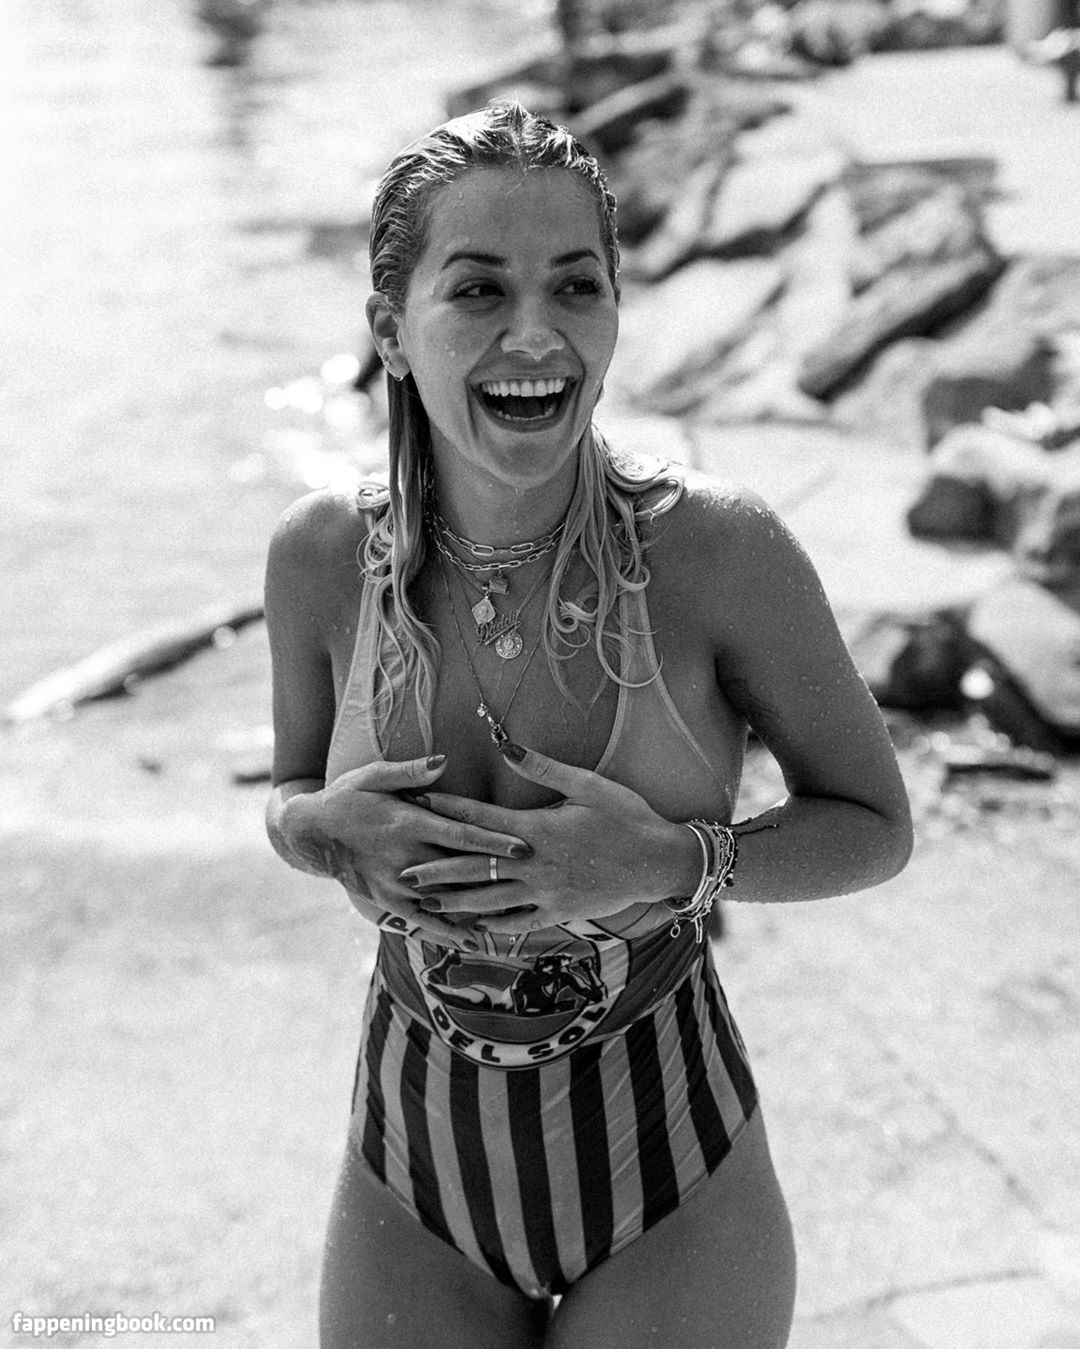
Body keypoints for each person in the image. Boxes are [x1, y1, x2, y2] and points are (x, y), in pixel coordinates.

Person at [264, 100, 913, 1349]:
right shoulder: (322, 559)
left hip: (669, 1168)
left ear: (615, 311)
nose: (536, 334)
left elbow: (875, 825)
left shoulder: (716, 553)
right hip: (411, 1170)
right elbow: (289, 799)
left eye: (576, 285)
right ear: (390, 331)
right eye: (478, 290)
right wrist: (314, 827)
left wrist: (676, 861)